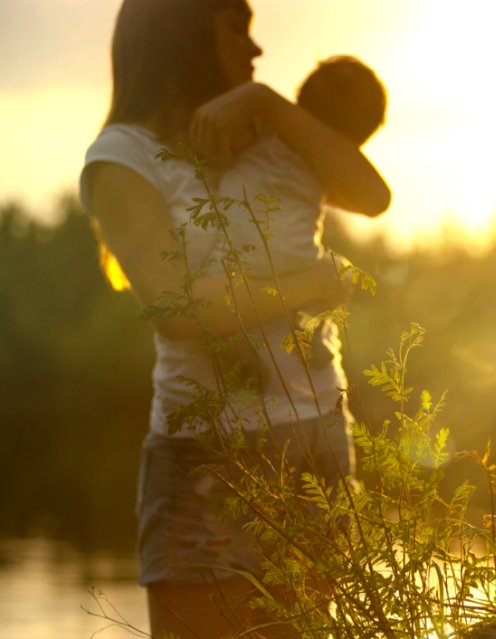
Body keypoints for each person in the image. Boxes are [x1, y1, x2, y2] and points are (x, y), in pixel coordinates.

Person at [79, 1, 390, 637]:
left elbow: (372, 195)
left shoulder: (265, 132)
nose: (256, 53)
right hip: (207, 452)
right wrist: (318, 280)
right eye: (235, 29)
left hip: (315, 429)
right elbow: (180, 313)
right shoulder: (124, 155)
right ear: (182, 32)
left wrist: (271, 105)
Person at [221, 54, 387, 278]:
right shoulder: (329, 170)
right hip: (296, 265)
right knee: (340, 276)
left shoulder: (261, 127)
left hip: (224, 258)